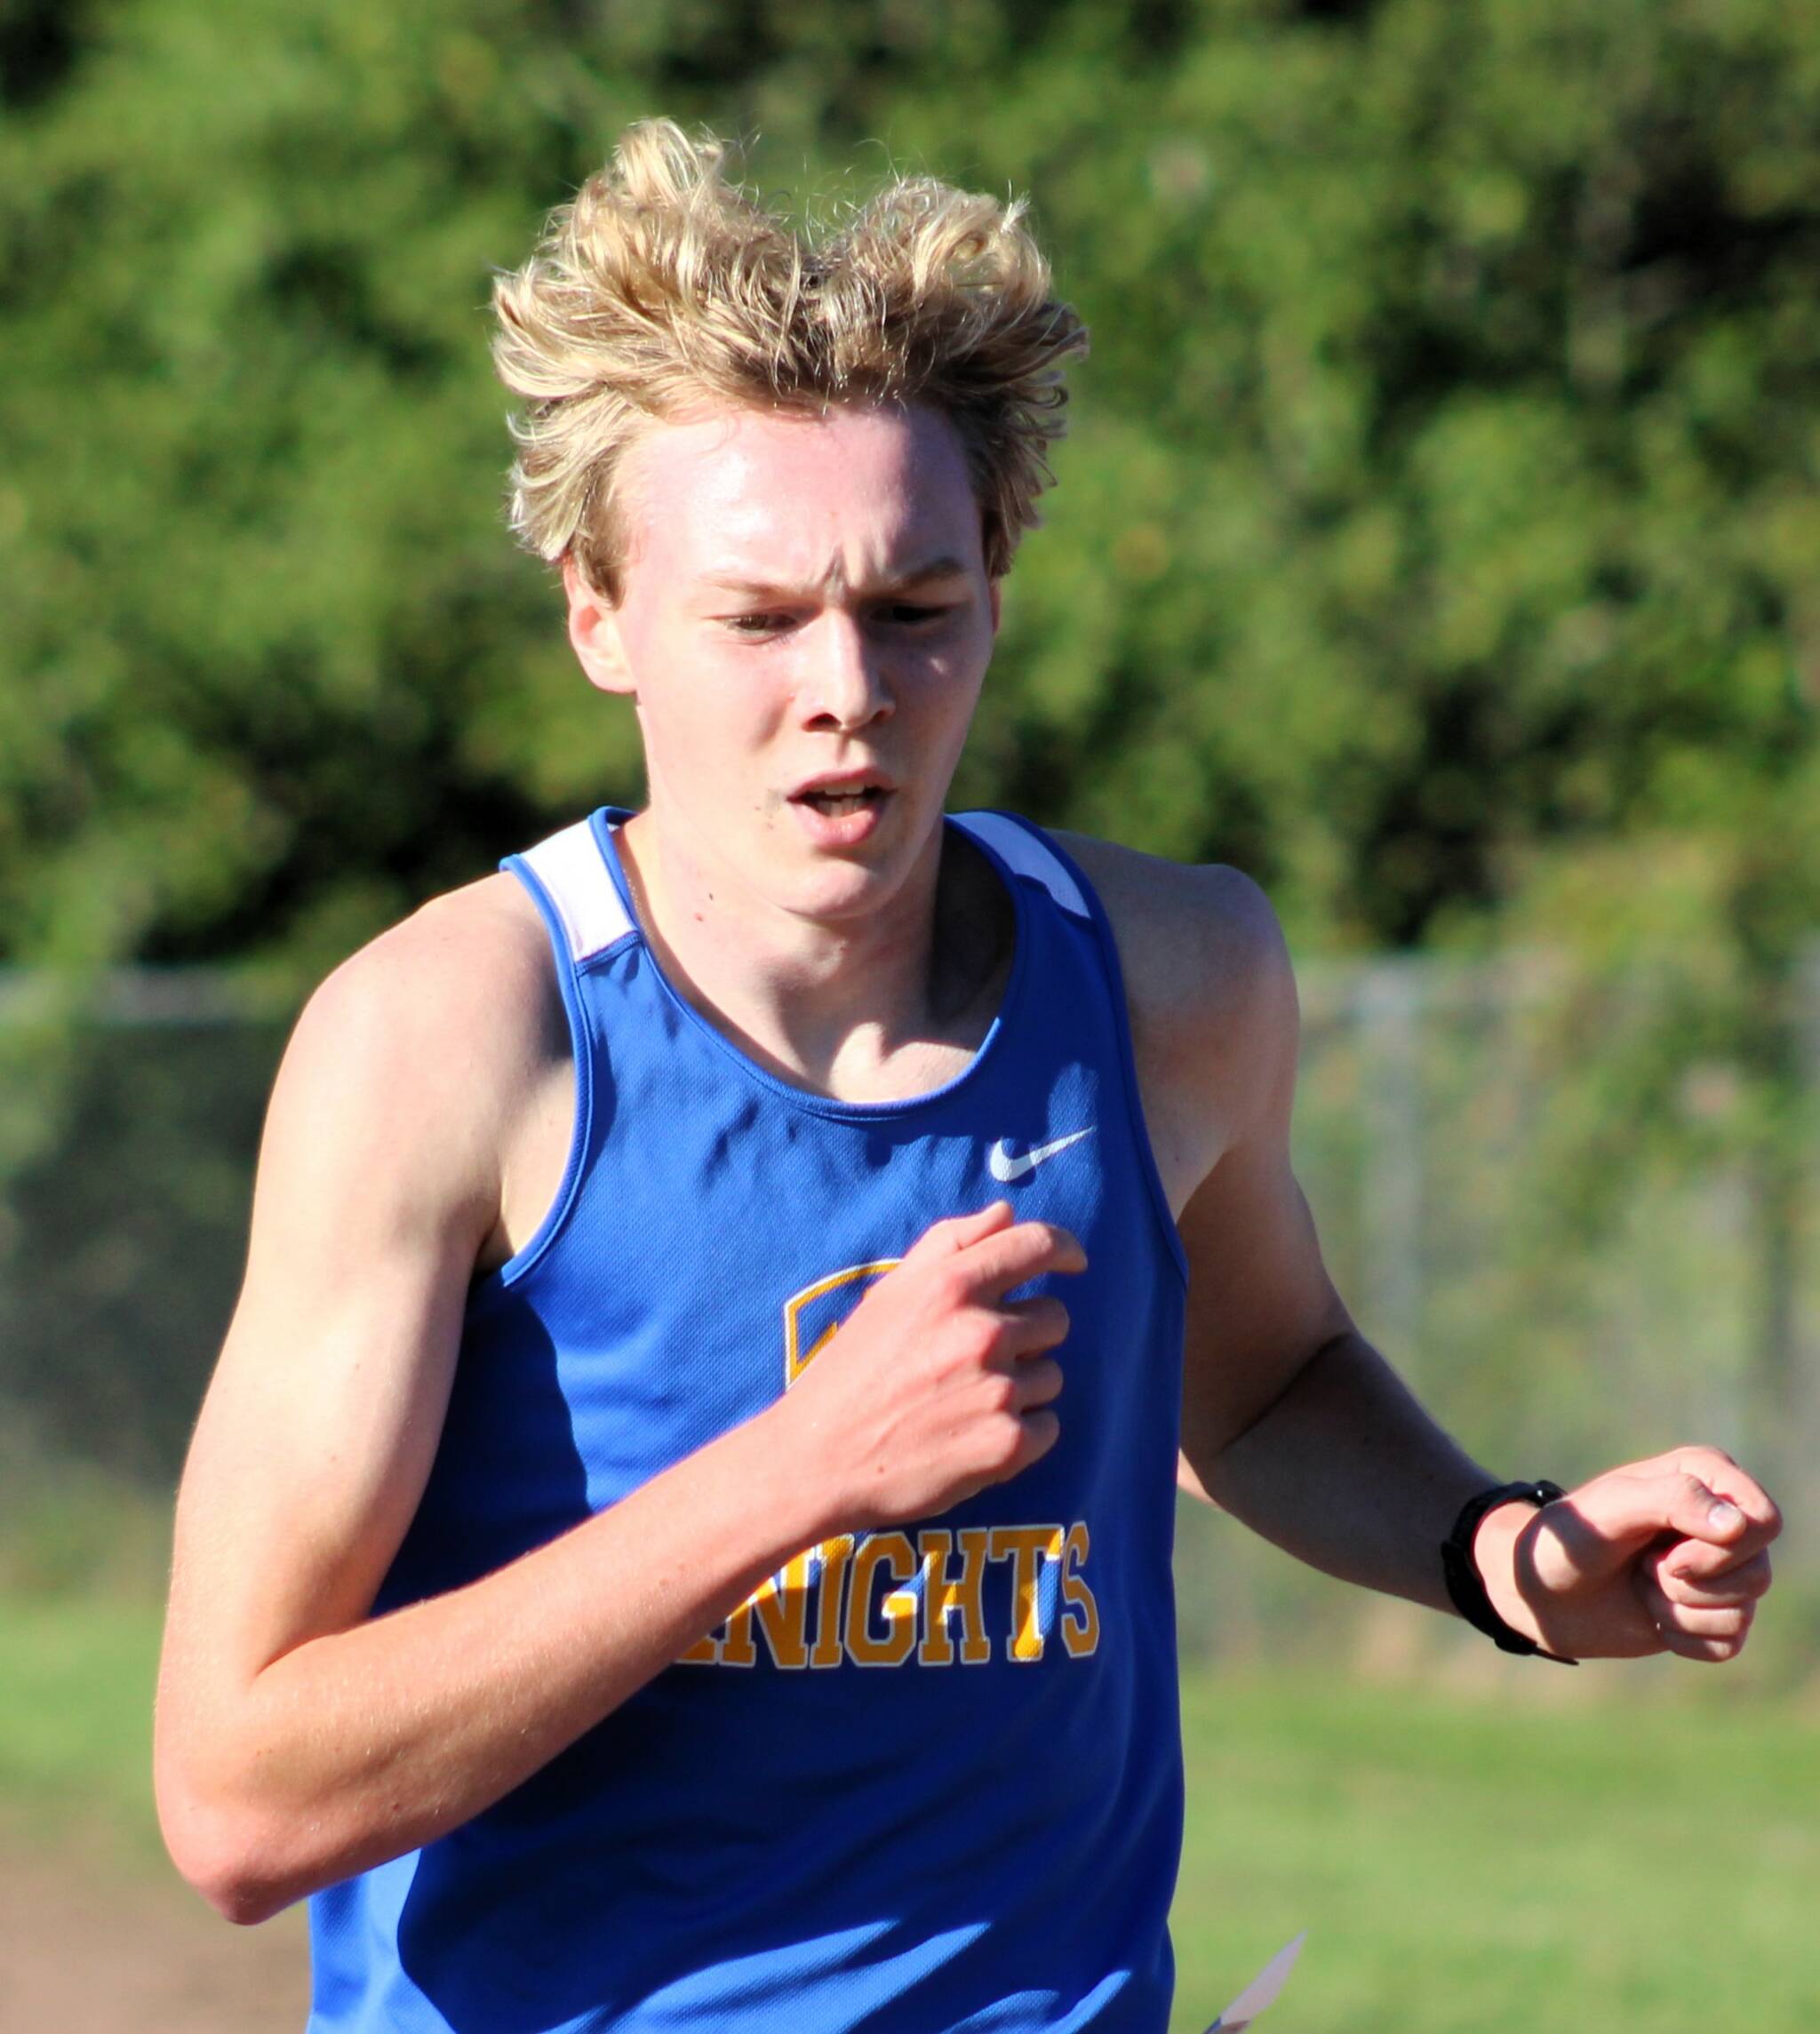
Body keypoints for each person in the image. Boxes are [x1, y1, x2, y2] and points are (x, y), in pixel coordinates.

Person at [154, 122, 1780, 2032]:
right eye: (755, 618)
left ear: (996, 580)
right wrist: (799, 1471)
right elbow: (238, 1796)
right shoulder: (454, 1039)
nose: (845, 683)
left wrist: (1500, 1552)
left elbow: (1258, 1381)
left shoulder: (1171, 977)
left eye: (912, 607)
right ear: (600, 614)